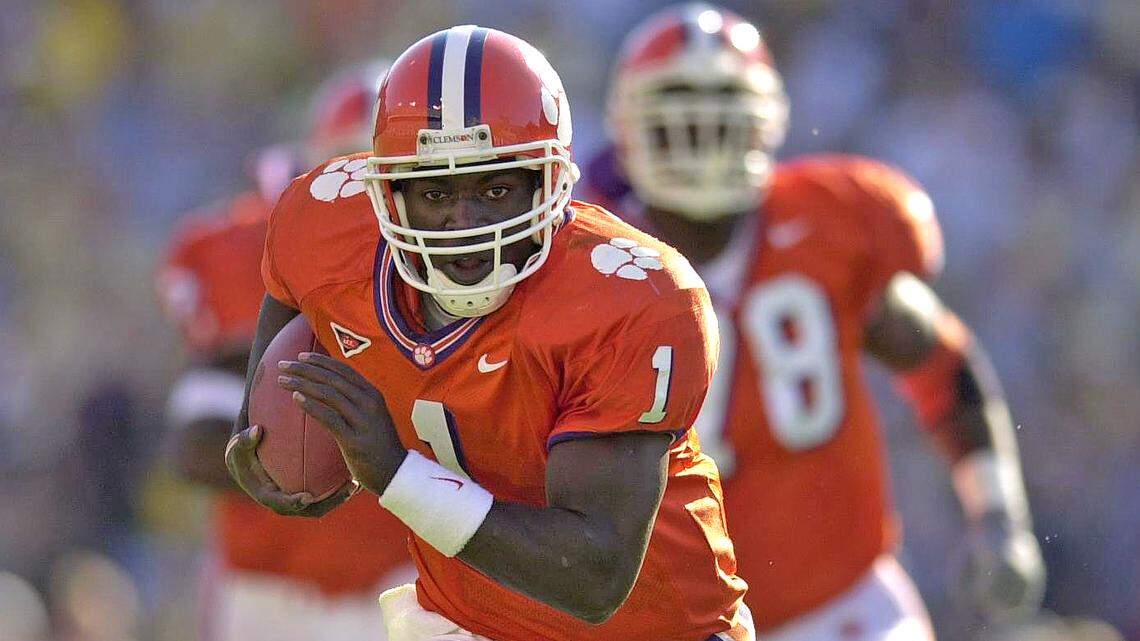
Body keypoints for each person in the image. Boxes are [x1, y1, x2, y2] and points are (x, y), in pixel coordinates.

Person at [224, 25, 754, 641]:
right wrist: (265, 439)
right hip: (462, 623)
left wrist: (396, 474)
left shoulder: (634, 295)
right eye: (436, 191)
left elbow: (594, 576)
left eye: (496, 187)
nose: (464, 222)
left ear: (549, 181)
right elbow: (289, 292)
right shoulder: (323, 225)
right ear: (387, 193)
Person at [584, 4, 1046, 639]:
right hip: (667, 621)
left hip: (841, 607)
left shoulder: (832, 224)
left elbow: (941, 365)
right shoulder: (590, 258)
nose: (702, 127)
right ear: (627, 125)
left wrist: (999, 516)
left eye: (723, 103)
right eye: (680, 103)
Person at [156, 61, 415, 641]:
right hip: (270, 588)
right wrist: (287, 448)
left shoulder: (470, 261)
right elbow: (196, 444)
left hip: (405, 578)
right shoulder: (254, 247)